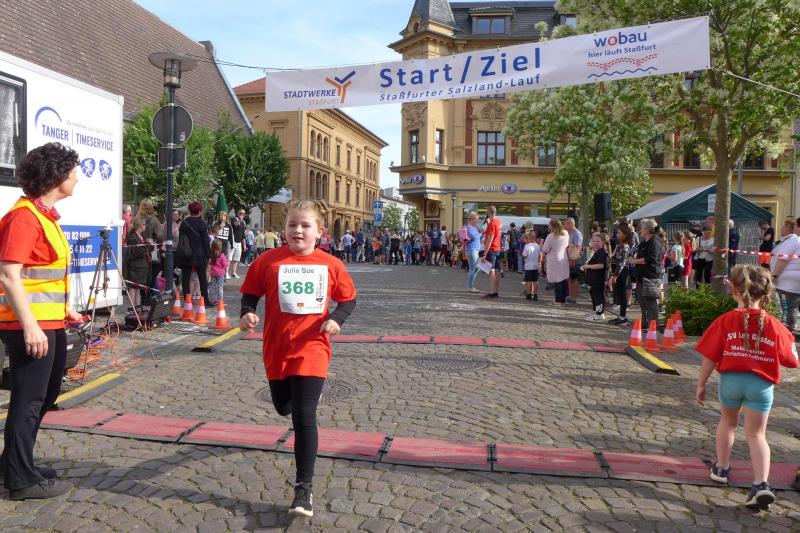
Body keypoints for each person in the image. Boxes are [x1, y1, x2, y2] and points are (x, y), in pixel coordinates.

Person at [239, 200, 356, 518]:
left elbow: (348, 300)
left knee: (304, 417)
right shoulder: (268, 261)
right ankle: (293, 398)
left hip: (312, 348)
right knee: (283, 407)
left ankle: (303, 490)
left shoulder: (331, 264)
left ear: (319, 232)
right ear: (284, 229)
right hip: (277, 349)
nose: (298, 231)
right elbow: (250, 294)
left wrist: (336, 319)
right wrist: (247, 313)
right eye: (292, 225)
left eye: (305, 225)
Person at [0, 143, 84, 499]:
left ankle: (14, 465)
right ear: (56, 176)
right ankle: (20, 479)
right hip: (29, 326)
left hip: (48, 322)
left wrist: (64, 309)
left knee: (45, 395)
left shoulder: (43, 216)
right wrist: (32, 325)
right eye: (72, 171)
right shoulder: (24, 218)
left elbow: (40, 276)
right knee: (29, 399)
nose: (77, 177)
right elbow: (8, 275)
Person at [696, 264, 798, 509]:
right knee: (757, 435)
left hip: (731, 382)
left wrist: (701, 384)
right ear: (765, 294)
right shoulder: (775, 325)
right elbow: (792, 361)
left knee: (727, 423)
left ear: (735, 291)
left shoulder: (725, 320)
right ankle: (761, 484)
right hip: (761, 386)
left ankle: (721, 468)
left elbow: (709, 357)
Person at [628, 218, 664, 332]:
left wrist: (634, 261)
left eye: (642, 228)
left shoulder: (655, 242)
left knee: (650, 301)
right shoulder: (644, 242)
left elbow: (650, 259)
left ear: (648, 230)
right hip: (641, 275)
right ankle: (645, 323)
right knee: (642, 301)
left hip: (650, 275)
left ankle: (653, 326)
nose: (640, 230)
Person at [178, 201, 212, 305]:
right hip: (199, 254)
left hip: (186, 253)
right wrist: (209, 256)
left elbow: (181, 238)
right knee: (202, 279)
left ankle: (187, 300)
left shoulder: (184, 222)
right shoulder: (201, 223)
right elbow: (206, 241)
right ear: (200, 211)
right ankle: (205, 300)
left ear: (190, 210)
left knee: (186, 278)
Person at [769, 218, 800, 331]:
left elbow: (782, 260)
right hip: (793, 280)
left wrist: (774, 275)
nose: (781, 227)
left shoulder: (793, 240)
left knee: (788, 309)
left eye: (783, 225)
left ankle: (788, 332)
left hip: (788, 282)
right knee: (793, 307)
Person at [608, 224, 634, 325]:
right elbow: (614, 259)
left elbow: (621, 262)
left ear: (625, 235)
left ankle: (623, 317)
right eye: (617, 232)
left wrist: (615, 275)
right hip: (617, 271)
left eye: (619, 233)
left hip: (621, 272)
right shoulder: (620, 245)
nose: (617, 234)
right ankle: (621, 316)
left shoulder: (624, 246)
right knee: (619, 294)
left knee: (622, 294)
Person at [123, 217, 151, 310]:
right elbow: (136, 251)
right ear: (140, 225)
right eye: (144, 224)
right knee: (133, 287)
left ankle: (137, 305)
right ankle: (131, 307)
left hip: (141, 266)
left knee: (138, 287)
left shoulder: (140, 236)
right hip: (135, 266)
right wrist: (148, 245)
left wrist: (148, 245)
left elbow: (143, 249)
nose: (145, 226)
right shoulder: (133, 237)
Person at [582, 233, 610, 320]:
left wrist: (588, 266)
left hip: (598, 278)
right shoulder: (596, 251)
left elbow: (601, 265)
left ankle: (599, 314)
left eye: (598, 241)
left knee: (598, 296)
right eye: (594, 241)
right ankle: (596, 311)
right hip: (594, 278)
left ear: (603, 242)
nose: (595, 243)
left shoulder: (602, 252)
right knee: (593, 294)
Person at [542, 218, 570, 306]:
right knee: (563, 280)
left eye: (549, 225)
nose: (548, 226)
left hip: (554, 260)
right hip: (564, 258)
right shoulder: (565, 233)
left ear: (552, 226)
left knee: (557, 281)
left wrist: (541, 245)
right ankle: (562, 300)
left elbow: (545, 249)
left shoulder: (550, 236)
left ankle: (557, 301)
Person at [482, 206, 503, 299]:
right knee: (497, 271)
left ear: (488, 212)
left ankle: (491, 292)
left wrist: (485, 254)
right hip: (498, 249)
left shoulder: (492, 224)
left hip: (492, 249)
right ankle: (496, 291)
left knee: (491, 271)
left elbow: (489, 240)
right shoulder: (498, 222)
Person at [564, 217, 583, 304]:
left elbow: (578, 247)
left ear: (570, 224)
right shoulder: (570, 233)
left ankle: (573, 298)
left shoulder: (577, 234)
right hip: (569, 258)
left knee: (574, 278)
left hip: (574, 259)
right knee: (570, 278)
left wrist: (573, 260)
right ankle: (570, 296)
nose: (564, 226)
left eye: (565, 224)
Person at [207, 239, 229, 307]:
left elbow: (209, 263)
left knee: (212, 287)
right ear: (220, 247)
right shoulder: (222, 255)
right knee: (220, 287)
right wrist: (228, 262)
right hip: (221, 274)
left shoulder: (211, 255)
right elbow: (225, 265)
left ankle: (213, 300)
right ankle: (220, 302)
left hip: (213, 273)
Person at [464, 212, 482, 292]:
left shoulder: (475, 227)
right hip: (471, 249)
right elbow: (474, 237)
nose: (477, 220)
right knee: (472, 268)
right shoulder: (469, 227)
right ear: (471, 219)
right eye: (476, 219)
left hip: (475, 249)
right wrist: (481, 234)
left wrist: (480, 234)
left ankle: (470, 286)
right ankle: (470, 287)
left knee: (476, 268)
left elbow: (478, 237)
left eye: (477, 219)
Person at [521, 231, 542, 301]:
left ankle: (529, 294)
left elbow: (524, 255)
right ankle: (535, 295)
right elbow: (539, 256)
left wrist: (526, 258)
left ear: (529, 238)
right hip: (535, 265)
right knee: (535, 281)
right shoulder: (538, 246)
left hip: (528, 266)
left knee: (529, 280)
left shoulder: (527, 246)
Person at [230, 209, 247, 278]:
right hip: (233, 241)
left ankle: (233, 273)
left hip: (239, 242)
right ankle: (226, 273)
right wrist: (239, 220)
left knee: (236, 259)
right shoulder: (234, 219)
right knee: (229, 258)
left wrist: (244, 245)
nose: (242, 215)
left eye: (243, 214)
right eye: (240, 213)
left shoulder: (244, 223)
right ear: (237, 213)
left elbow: (243, 235)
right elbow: (235, 224)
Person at [216, 212, 233, 279]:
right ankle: (217, 273)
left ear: (226, 217)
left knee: (224, 259)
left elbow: (230, 236)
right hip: (217, 244)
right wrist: (220, 227)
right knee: (217, 259)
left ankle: (223, 274)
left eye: (224, 216)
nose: (222, 217)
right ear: (219, 216)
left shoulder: (228, 225)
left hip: (225, 245)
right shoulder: (216, 224)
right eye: (221, 215)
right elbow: (214, 233)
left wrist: (231, 244)